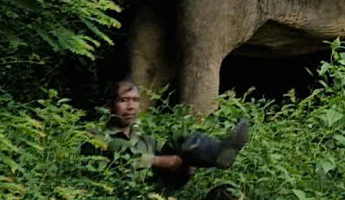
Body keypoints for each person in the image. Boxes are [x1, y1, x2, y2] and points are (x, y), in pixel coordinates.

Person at [103, 78, 252, 188]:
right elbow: (123, 158)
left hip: (159, 192)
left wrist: (185, 163)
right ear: (110, 105)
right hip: (126, 196)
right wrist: (160, 161)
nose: (131, 107)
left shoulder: (146, 140)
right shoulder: (96, 136)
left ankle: (220, 150)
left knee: (183, 141)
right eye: (124, 100)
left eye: (135, 100)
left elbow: (171, 161)